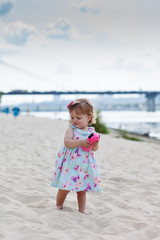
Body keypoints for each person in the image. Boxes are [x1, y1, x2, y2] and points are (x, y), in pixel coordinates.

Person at [51, 98, 101, 215]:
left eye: (78, 118)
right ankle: (59, 205)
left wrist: (95, 144)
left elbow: (94, 149)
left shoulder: (91, 132)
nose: (74, 120)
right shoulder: (71, 129)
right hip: (70, 164)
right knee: (65, 187)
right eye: (72, 117)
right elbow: (67, 142)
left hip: (84, 165)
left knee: (82, 189)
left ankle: (82, 210)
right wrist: (80, 142)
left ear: (88, 117)